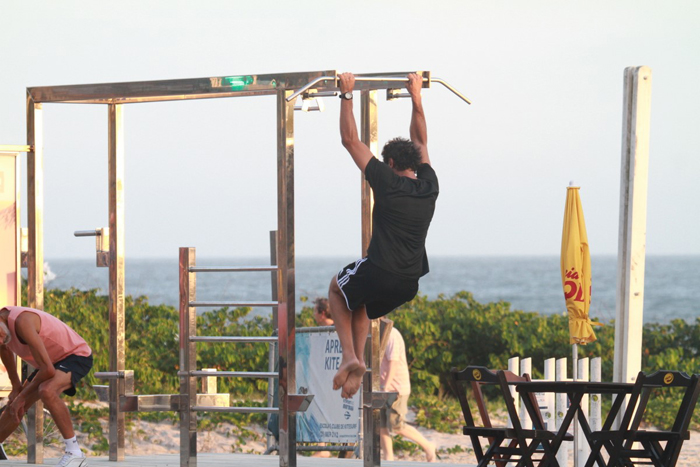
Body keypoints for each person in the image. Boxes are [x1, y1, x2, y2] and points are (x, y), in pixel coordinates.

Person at [329, 72, 439, 399]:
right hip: (409, 283)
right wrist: (416, 96)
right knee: (360, 304)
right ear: (415, 164)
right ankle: (359, 361)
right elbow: (421, 141)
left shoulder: (387, 182)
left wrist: (347, 95)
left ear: (390, 163)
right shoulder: (429, 185)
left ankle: (350, 355)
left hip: (381, 270)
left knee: (336, 290)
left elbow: (351, 141)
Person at [0, 306, 93, 467]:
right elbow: (5, 350)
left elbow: (48, 370)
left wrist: (21, 397)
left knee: (47, 390)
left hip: (75, 355)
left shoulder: (22, 321)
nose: (1, 341)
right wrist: (16, 388)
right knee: (13, 407)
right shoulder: (3, 329)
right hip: (49, 361)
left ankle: (75, 452)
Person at [379, 327, 436, 462]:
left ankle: (428, 446)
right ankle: (389, 459)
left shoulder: (391, 334)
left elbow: (394, 362)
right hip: (382, 387)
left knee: (396, 425)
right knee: (381, 425)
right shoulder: (377, 332)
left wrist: (386, 386)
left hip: (396, 388)